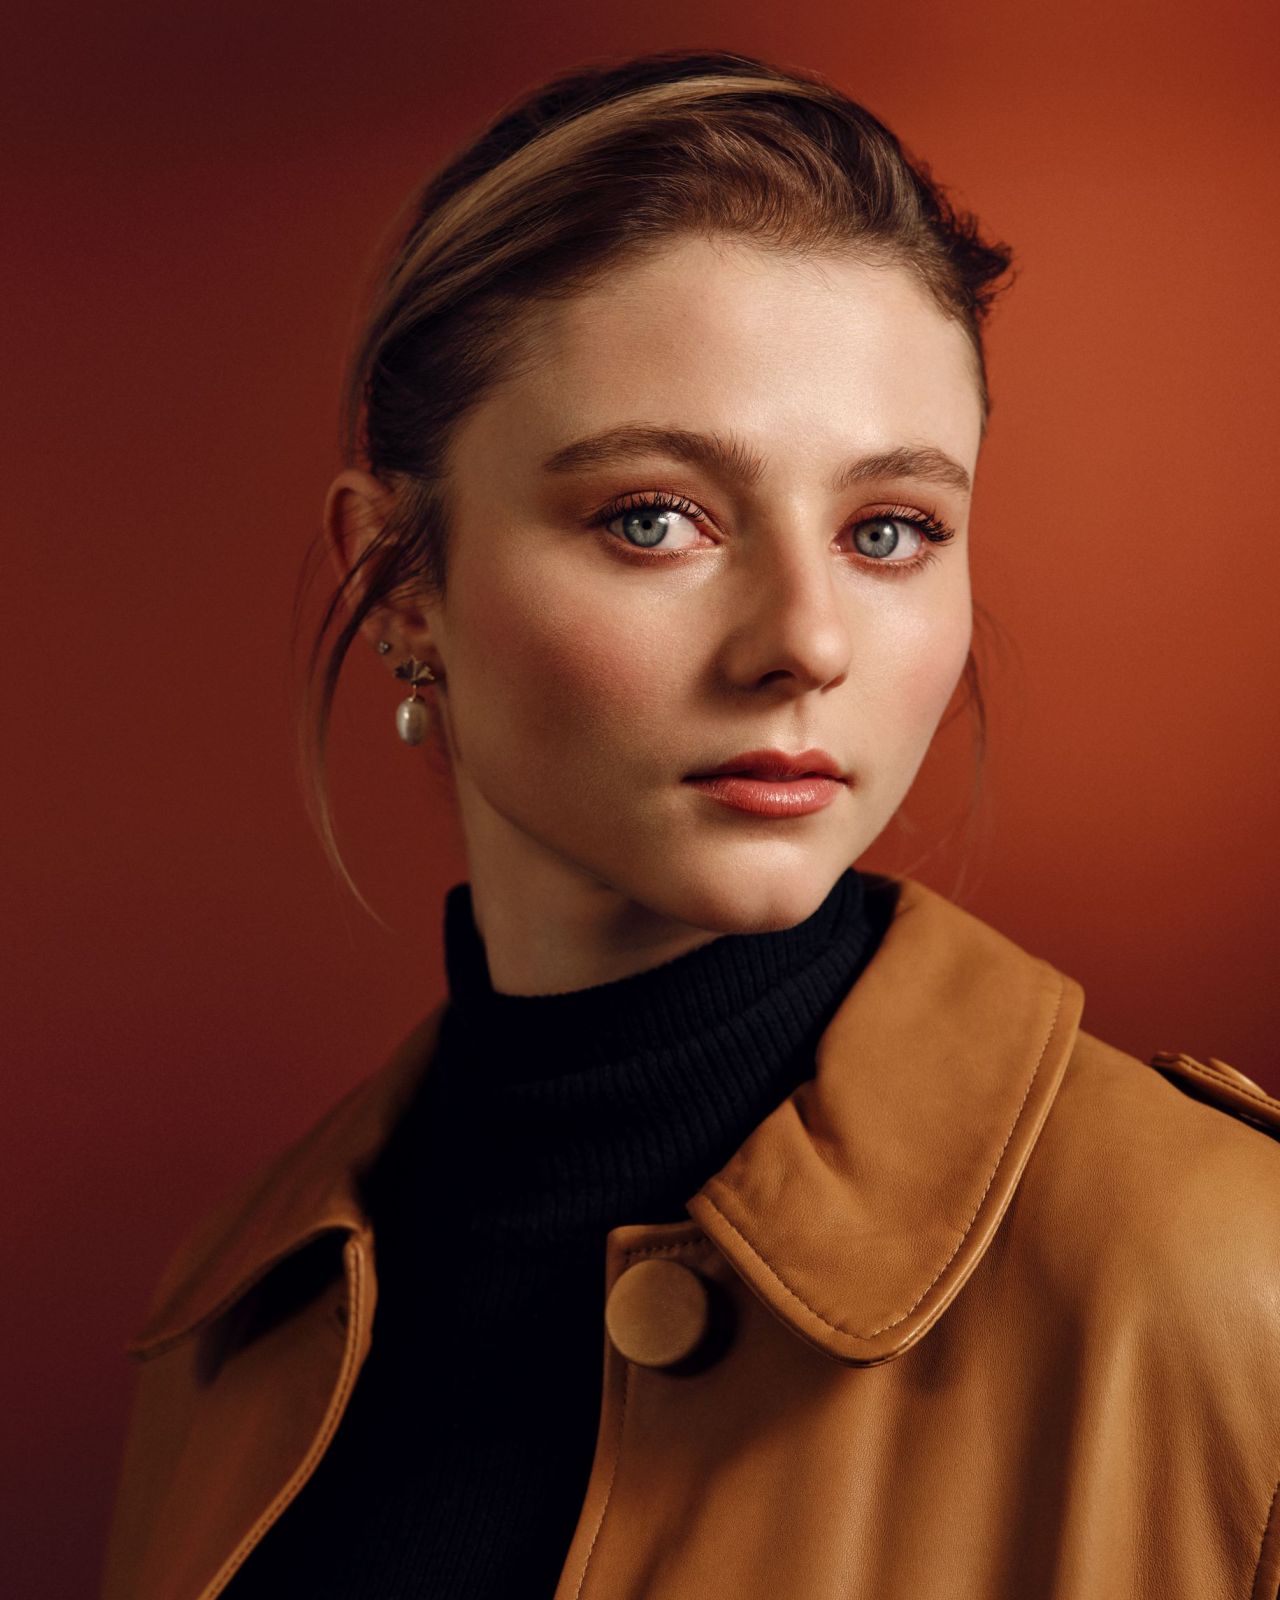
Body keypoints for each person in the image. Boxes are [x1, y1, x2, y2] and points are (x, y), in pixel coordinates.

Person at [101, 48, 1280, 1600]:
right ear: (397, 577)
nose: (806, 638)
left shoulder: (1225, 1280)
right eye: (656, 517)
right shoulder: (226, 1327)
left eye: (890, 530)